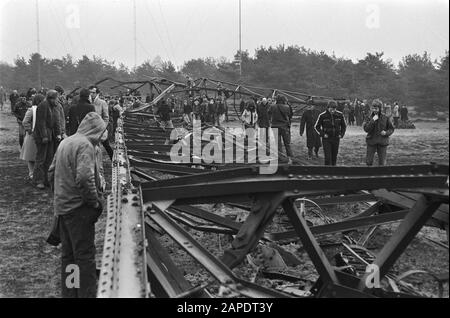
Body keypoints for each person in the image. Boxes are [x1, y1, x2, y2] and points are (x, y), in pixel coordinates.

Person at [48, 112, 107, 298]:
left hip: (63, 208)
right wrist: (94, 202)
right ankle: (86, 294)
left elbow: (51, 172)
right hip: (78, 209)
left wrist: (60, 195)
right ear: (96, 130)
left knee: (69, 256)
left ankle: (70, 292)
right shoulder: (85, 145)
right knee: (85, 256)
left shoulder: (66, 142)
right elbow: (84, 178)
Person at [20, 94, 45, 180]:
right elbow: (25, 122)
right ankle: (31, 173)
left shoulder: (44, 110)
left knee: (38, 156)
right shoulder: (31, 110)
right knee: (30, 156)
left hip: (41, 136)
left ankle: (37, 173)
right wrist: (30, 130)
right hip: (32, 136)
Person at [314, 100, 346, 166]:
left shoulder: (340, 115)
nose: (333, 110)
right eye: (331, 108)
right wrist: (322, 134)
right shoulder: (322, 116)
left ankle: (334, 170)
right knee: (328, 157)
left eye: (334, 109)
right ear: (328, 107)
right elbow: (316, 127)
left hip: (336, 138)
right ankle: (327, 170)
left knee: (334, 156)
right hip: (326, 139)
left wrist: (341, 134)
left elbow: (344, 126)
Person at [363, 99, 395, 166]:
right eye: (373, 108)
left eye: (376, 108)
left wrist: (386, 133)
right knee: (369, 162)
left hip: (382, 141)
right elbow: (366, 129)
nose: (374, 110)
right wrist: (373, 120)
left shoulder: (385, 117)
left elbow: (391, 129)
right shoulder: (368, 117)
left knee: (382, 163)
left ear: (380, 109)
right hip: (371, 141)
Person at [89, 85, 113, 160]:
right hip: (91, 129)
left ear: (97, 93)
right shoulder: (88, 102)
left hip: (100, 128)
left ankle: (113, 159)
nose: (91, 94)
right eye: (90, 92)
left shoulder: (102, 103)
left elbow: (106, 117)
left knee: (106, 145)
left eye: (93, 92)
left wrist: (103, 128)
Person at [270, 95, 293, 164]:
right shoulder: (287, 107)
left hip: (274, 126)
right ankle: (290, 156)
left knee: (278, 144)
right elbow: (290, 115)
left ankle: (280, 157)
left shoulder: (272, 106)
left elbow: (269, 112)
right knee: (287, 143)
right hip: (284, 126)